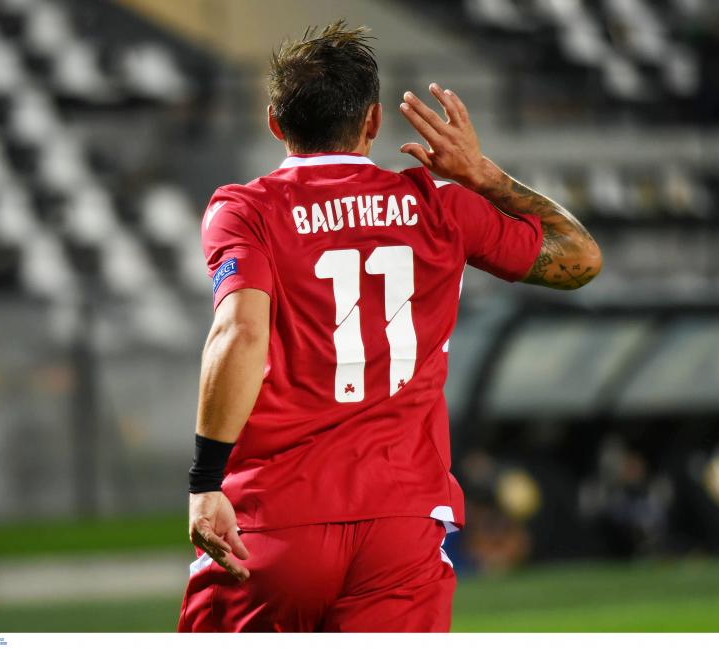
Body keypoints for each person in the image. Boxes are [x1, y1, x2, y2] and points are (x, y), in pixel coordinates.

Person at [178, 20, 601, 633]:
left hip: (278, 517)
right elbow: (581, 259)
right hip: (404, 525)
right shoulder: (442, 206)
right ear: (374, 121)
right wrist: (483, 175)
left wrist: (205, 480)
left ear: (275, 122)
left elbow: (240, 334)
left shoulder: (247, 210)